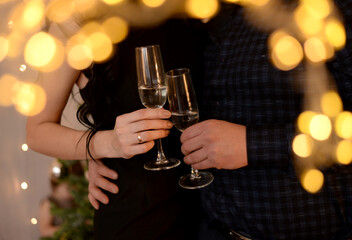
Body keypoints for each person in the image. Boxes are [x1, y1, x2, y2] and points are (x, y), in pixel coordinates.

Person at [88, 1, 352, 240]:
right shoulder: (206, 17)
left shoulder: (329, 12)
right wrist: (99, 148)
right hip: (210, 229)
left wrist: (250, 145)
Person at [27, 13, 207, 240]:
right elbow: (36, 131)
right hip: (139, 218)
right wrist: (105, 144)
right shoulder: (75, 22)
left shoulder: (189, 11)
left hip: (213, 209)